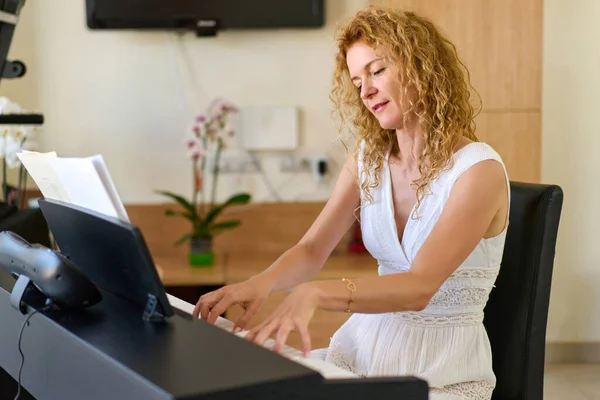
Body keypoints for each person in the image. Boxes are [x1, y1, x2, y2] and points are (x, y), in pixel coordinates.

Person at [193, 5, 510, 399]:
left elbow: (419, 287)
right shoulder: (368, 159)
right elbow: (312, 249)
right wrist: (260, 283)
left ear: (423, 67)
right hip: (358, 353)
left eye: (377, 71)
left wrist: (314, 293)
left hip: (441, 372)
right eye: (358, 81)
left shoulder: (478, 170)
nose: (367, 90)